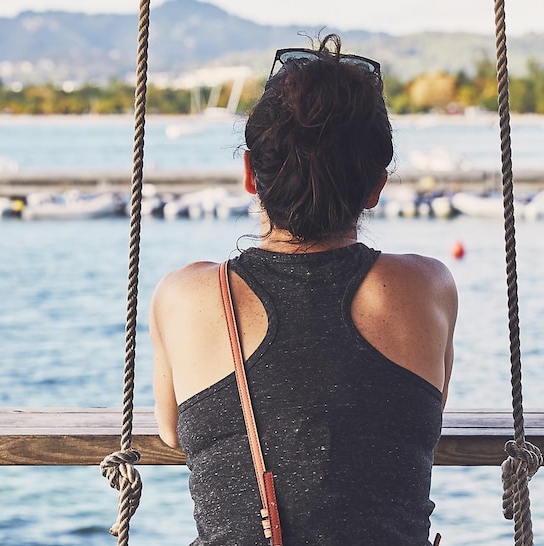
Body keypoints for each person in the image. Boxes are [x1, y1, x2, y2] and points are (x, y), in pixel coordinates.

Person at [152, 34, 458, 546]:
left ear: (251, 174)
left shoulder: (185, 297)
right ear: (377, 187)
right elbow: (421, 415)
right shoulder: (427, 287)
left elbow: (172, 431)